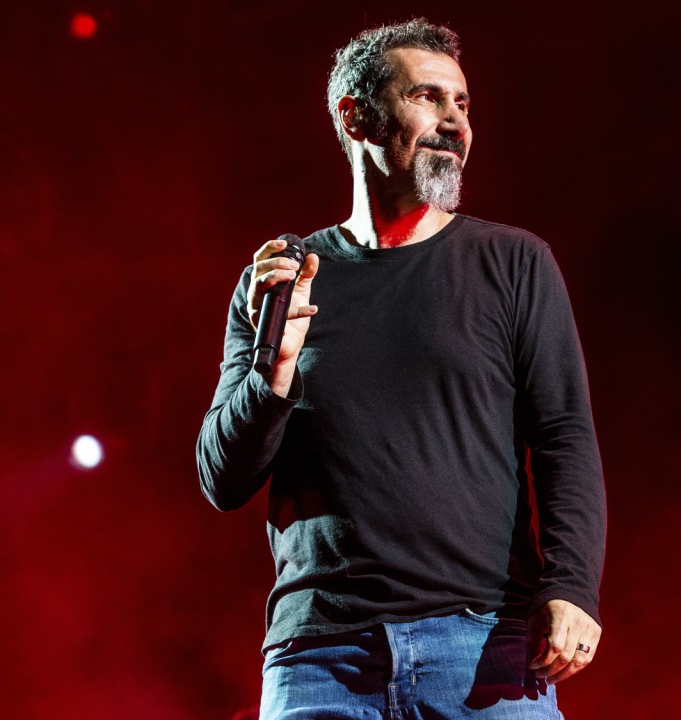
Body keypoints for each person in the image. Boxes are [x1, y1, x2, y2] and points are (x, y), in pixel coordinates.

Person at [197, 19, 607, 718]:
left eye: (464, 104)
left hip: (485, 651)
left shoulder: (513, 264)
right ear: (356, 116)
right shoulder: (283, 279)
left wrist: (570, 586)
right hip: (321, 659)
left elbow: (564, 436)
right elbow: (222, 479)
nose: (455, 122)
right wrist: (275, 369)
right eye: (429, 98)